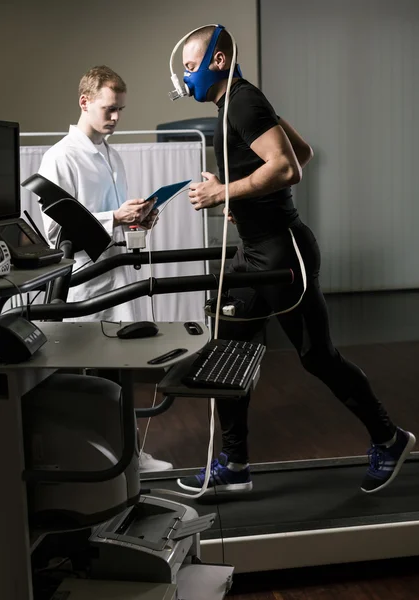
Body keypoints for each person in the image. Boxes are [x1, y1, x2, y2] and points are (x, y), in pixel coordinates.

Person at [174, 25, 416, 494]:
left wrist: (225, 191)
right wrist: (239, 198)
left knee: (317, 357)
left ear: (217, 62)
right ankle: (236, 463)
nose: (185, 77)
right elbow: (298, 150)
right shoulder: (237, 104)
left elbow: (289, 168)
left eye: (190, 66)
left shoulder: (243, 101)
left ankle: (388, 438)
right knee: (227, 349)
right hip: (255, 252)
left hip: (283, 254)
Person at [39, 65, 172, 474]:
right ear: (85, 102)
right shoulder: (60, 156)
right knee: (90, 378)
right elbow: (53, 230)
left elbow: (113, 220)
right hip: (84, 284)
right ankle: (93, 460)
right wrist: (115, 216)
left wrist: (138, 220)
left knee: (119, 372)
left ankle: (128, 454)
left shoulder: (113, 155)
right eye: (109, 109)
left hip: (117, 274)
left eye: (121, 111)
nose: (116, 118)